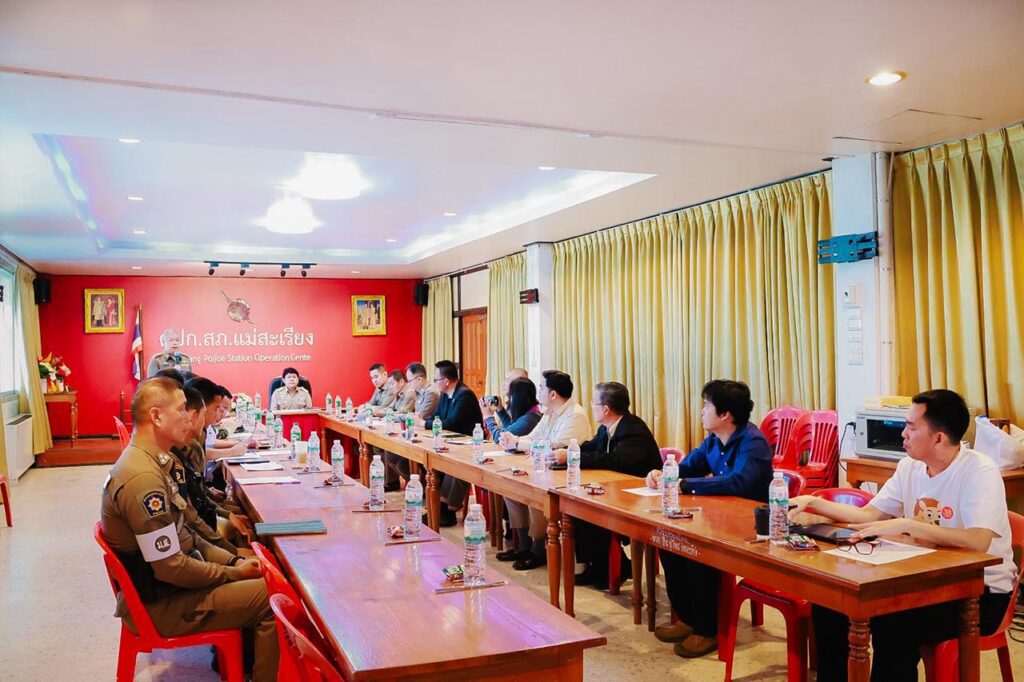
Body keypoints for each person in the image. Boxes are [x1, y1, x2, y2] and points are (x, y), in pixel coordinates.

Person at [789, 389, 1016, 682]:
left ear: (938, 438)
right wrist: (812, 502)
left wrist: (907, 525)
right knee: (832, 605)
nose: (903, 434)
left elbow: (978, 541)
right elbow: (869, 515)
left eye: (911, 427)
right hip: (923, 580)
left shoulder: (979, 471)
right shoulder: (910, 466)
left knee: (893, 622)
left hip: (980, 594)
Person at [100, 377, 278, 680]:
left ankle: (246, 665)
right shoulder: (143, 479)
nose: (189, 416)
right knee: (271, 597)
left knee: (262, 576)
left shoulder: (157, 462)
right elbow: (170, 567)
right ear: (156, 416)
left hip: (171, 586)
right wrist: (232, 573)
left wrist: (234, 561)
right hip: (161, 603)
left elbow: (188, 533)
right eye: (182, 409)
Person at [645, 379, 773, 659]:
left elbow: (738, 482)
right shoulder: (714, 440)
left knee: (697, 552)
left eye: (706, 406)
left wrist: (684, 485)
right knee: (670, 544)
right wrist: (663, 474)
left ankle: (707, 629)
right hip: (720, 518)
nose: (702, 411)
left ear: (725, 414)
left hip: (751, 525)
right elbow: (688, 467)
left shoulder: (753, 442)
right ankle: (689, 618)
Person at [552, 382, 661, 589]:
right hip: (616, 490)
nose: (591, 405)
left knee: (591, 512)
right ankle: (597, 566)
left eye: (594, 402)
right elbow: (590, 448)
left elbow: (615, 461)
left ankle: (618, 566)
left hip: (640, 496)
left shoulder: (633, 430)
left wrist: (573, 457)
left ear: (605, 409)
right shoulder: (606, 428)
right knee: (578, 508)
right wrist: (570, 452)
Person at [498, 370, 592, 570]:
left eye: (541, 387)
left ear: (553, 394)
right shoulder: (549, 412)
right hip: (546, 467)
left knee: (535, 490)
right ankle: (523, 544)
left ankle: (538, 549)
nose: (538, 391)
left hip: (567, 473)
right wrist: (513, 439)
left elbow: (554, 445)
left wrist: (518, 444)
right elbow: (534, 437)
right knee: (510, 488)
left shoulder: (575, 415)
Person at [418, 360, 483, 527]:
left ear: (446, 381)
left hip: (468, 445)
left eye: (436, 380)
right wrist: (427, 422)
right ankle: (438, 506)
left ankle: (448, 510)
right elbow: (438, 417)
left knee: (451, 465)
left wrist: (424, 424)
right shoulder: (445, 395)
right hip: (451, 442)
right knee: (426, 462)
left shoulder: (464, 395)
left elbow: (453, 423)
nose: (434, 383)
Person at [384, 363, 440, 482]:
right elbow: (413, 416)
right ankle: (418, 484)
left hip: (430, 436)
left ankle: (422, 485)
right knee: (391, 455)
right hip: (419, 434)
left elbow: (419, 417)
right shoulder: (419, 393)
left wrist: (391, 417)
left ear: (419, 379)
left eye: (410, 381)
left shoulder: (431, 393)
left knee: (400, 460)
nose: (409, 384)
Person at [483, 377, 542, 445]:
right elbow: (510, 428)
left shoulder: (528, 420)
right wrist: (500, 409)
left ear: (518, 398)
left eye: (510, 396)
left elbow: (500, 438)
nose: (509, 401)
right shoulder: (531, 412)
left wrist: (488, 417)